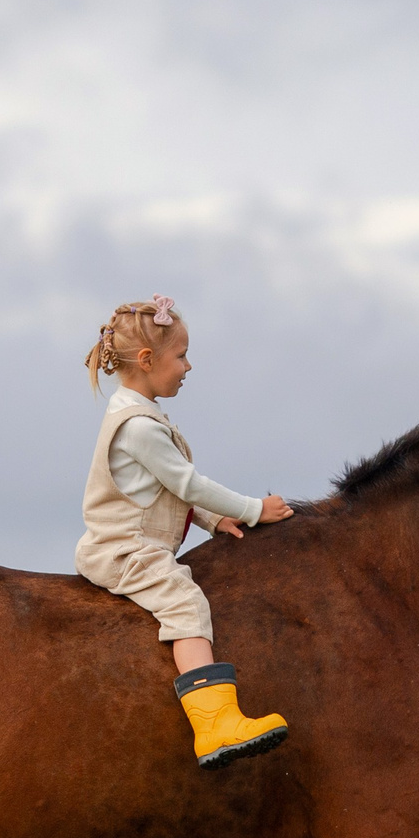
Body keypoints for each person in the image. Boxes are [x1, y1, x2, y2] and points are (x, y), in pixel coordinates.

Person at [76, 296, 295, 767]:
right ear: (149, 360)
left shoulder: (138, 415)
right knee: (185, 601)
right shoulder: (138, 427)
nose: (188, 366)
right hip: (125, 550)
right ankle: (214, 725)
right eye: (181, 356)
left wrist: (217, 520)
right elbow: (187, 482)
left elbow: (168, 491)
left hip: (132, 543)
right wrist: (255, 509)